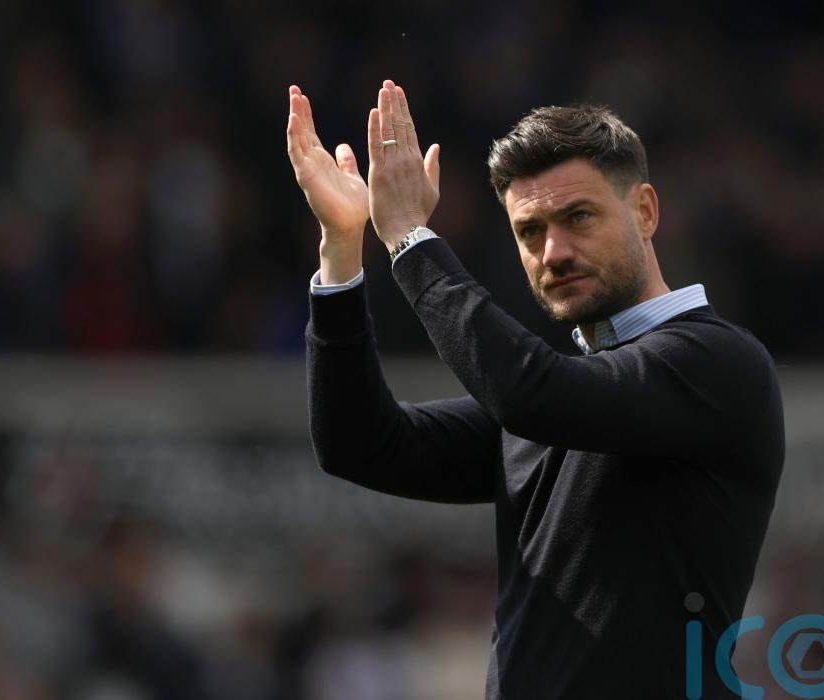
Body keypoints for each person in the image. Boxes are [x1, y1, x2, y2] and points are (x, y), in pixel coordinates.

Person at [286, 79, 783, 698]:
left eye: (578, 218)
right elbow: (359, 444)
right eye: (530, 231)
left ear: (645, 211)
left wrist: (411, 238)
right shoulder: (559, 399)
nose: (555, 251)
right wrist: (341, 249)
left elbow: (531, 393)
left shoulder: (716, 363)